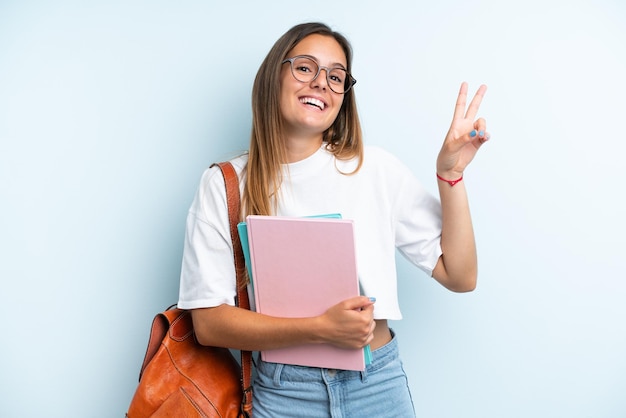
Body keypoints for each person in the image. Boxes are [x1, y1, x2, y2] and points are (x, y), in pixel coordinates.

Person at [178, 21, 489, 418]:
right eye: (305, 68)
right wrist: (318, 327)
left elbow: (460, 276)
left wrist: (451, 175)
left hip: (377, 387)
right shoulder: (225, 184)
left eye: (336, 76)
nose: (322, 82)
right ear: (274, 76)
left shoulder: (374, 169)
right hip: (284, 394)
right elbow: (208, 323)